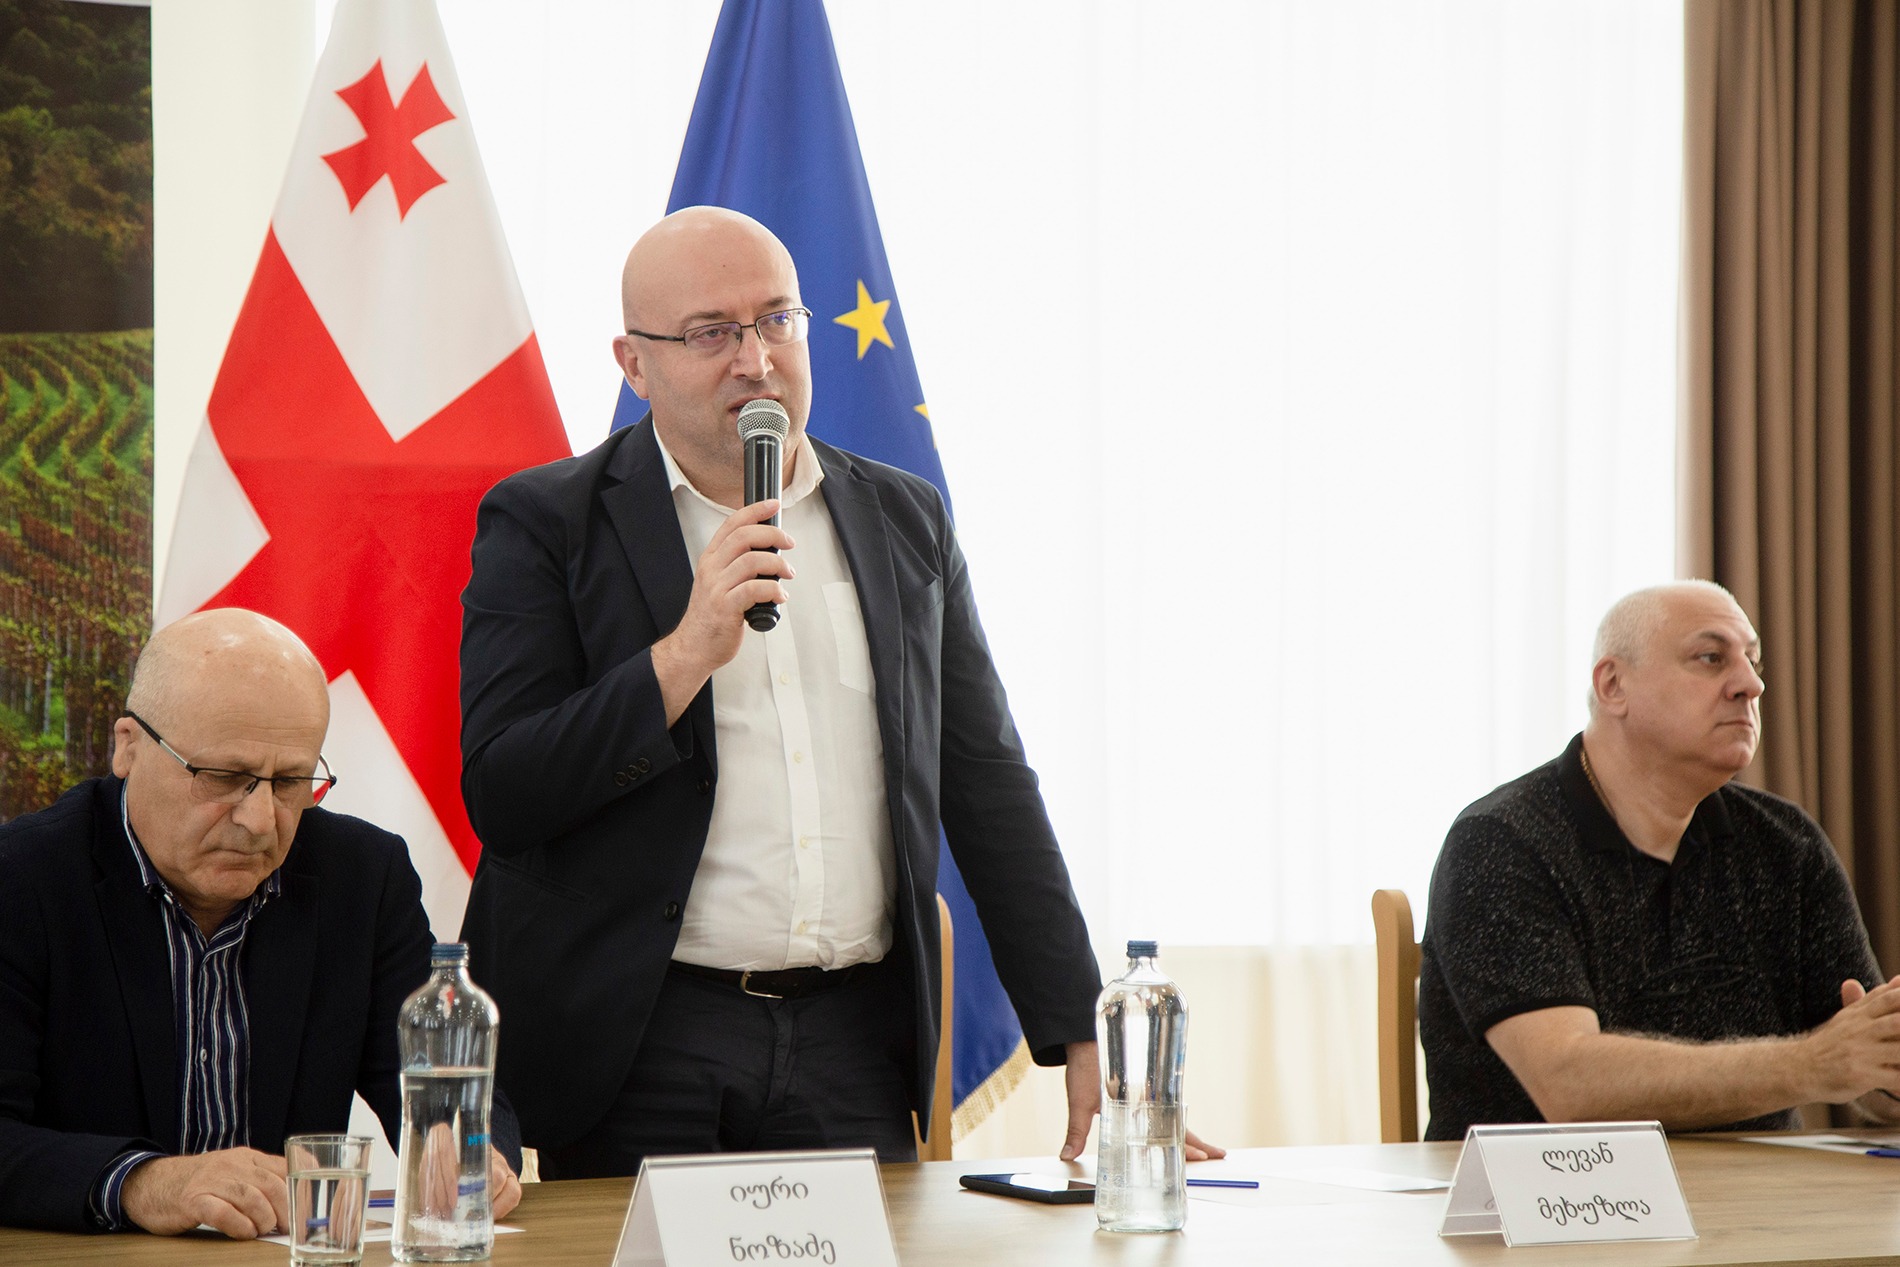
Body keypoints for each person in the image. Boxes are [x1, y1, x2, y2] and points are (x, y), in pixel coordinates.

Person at [460, 207, 1215, 1176]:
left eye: (777, 320)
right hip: (645, 1040)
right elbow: (505, 787)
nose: (756, 360)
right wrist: (681, 656)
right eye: (711, 333)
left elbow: (984, 776)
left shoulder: (903, 518)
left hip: (852, 1040)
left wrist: (1074, 1019)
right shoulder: (547, 523)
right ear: (634, 364)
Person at [0, 609, 522, 1234]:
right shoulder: (23, 879)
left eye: (290, 782)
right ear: (128, 747)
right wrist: (143, 1182)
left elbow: (440, 1081)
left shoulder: (363, 877)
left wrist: (469, 1150)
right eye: (225, 777)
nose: (259, 820)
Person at [1419, 579, 1900, 1140]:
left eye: (1752, 661)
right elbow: (1570, 1085)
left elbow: (1870, 1076)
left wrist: (1884, 1068)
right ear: (1613, 685)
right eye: (1711, 658)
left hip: (1760, 1191)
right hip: (1552, 1191)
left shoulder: (1786, 843)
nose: (1751, 684)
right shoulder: (1501, 841)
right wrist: (1811, 1064)